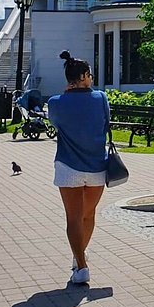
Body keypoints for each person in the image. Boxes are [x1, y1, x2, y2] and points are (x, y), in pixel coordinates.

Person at [46, 50, 110, 285]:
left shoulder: (55, 102)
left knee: (73, 218)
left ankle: (81, 266)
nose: (91, 78)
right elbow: (105, 122)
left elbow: (55, 123)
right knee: (89, 214)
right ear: (83, 76)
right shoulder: (101, 98)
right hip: (96, 167)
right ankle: (79, 256)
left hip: (68, 166)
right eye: (90, 75)